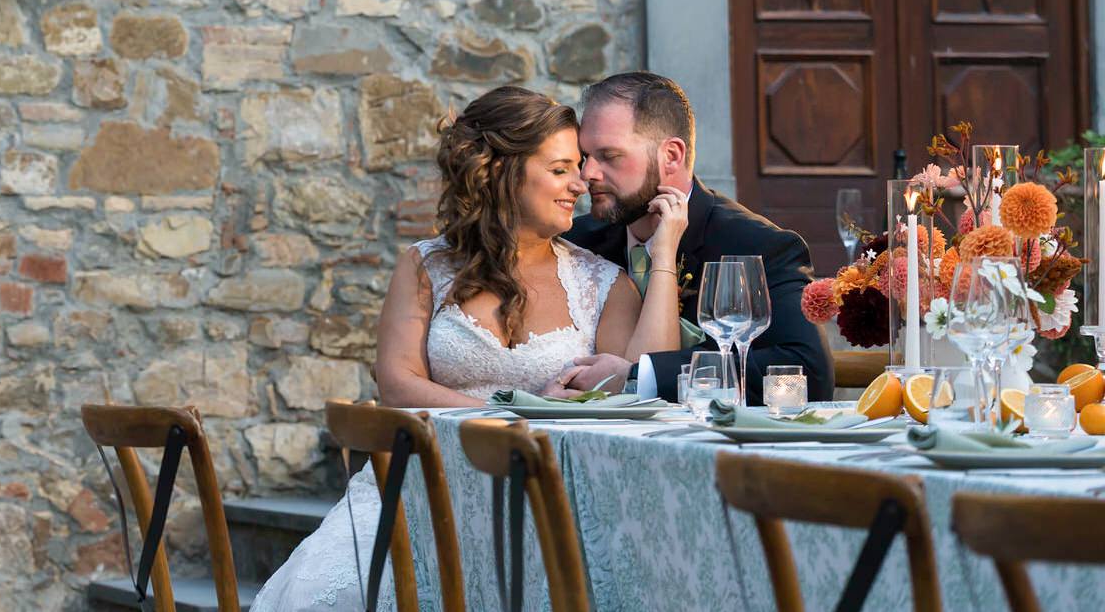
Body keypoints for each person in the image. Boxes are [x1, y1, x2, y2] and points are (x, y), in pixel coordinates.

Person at [251, 85, 687, 612]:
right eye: (561, 169)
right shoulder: (425, 265)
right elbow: (397, 381)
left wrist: (665, 254)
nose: (581, 183)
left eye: (582, 167)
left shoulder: (603, 283)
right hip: (417, 483)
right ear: (502, 172)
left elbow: (644, 385)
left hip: (537, 497)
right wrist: (508, 417)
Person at [547, 70, 833, 402]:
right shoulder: (579, 242)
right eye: (586, 157)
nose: (587, 175)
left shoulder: (757, 245)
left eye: (609, 156)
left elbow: (808, 372)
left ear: (671, 156)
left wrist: (640, 377)